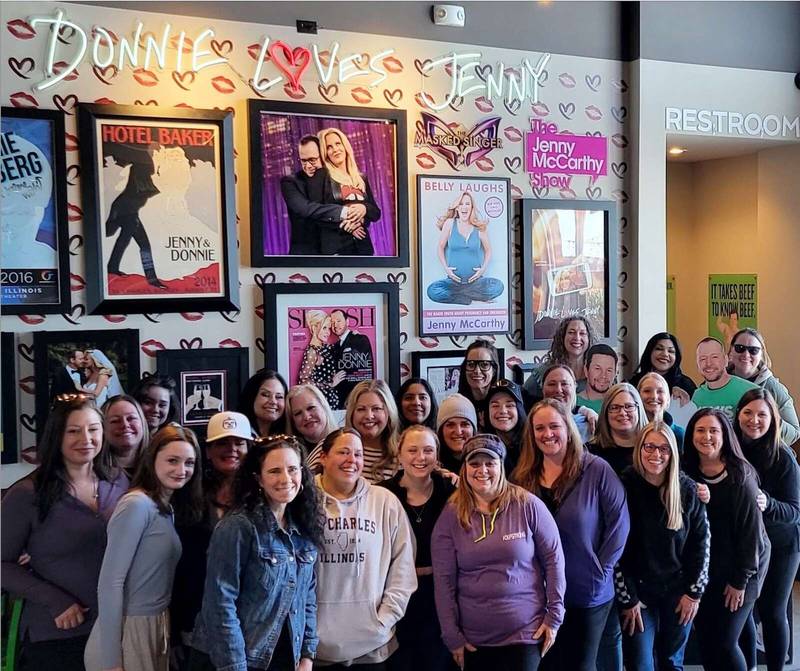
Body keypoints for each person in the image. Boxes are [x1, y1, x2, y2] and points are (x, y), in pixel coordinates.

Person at [1, 395, 129, 671]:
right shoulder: (27, 494)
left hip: (115, 629)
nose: (86, 438)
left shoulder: (119, 481)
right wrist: (55, 600)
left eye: (93, 429)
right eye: (73, 430)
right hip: (56, 633)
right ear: (56, 435)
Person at [512, 399, 629, 671]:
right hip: (537, 595)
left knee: (580, 666)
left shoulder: (596, 469)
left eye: (554, 425)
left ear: (568, 427)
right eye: (539, 428)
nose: (547, 434)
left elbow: (619, 524)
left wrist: (602, 569)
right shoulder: (522, 477)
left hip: (586, 592)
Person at [432, 434, 566, 670]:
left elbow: (554, 561)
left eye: (490, 463)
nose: (482, 470)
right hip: (474, 639)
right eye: (474, 463)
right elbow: (444, 581)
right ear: (464, 469)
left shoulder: (528, 505)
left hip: (525, 633)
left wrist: (554, 617)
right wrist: (451, 635)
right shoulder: (451, 514)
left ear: (501, 466)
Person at [190, 435, 323, 671]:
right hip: (232, 660)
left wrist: (307, 655)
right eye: (274, 471)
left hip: (283, 657)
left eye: (293, 469)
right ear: (258, 479)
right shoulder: (238, 526)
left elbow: (308, 599)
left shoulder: (303, 527)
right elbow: (220, 603)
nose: (286, 479)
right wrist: (235, 666)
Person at [84, 424, 204, 671]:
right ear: (153, 459)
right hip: (127, 630)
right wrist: (111, 660)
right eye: (173, 460)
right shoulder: (136, 505)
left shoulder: (165, 507)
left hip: (156, 625)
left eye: (189, 463)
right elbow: (110, 583)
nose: (182, 470)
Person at [314, 428, 417, 668]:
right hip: (314, 646)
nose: (352, 460)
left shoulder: (384, 501)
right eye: (344, 452)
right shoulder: (302, 500)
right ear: (323, 457)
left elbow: (403, 567)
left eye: (358, 454)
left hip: (373, 645)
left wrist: (384, 619)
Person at [615, 421, 710, 671]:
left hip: (678, 591)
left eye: (664, 449)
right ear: (640, 448)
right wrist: (628, 599)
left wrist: (694, 594)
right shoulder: (624, 485)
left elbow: (701, 544)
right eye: (649, 447)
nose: (656, 455)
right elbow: (615, 549)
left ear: (672, 453)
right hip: (639, 593)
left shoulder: (687, 489)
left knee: (671, 661)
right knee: (640, 663)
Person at [681, 409, 770, 671]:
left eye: (714, 431)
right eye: (700, 430)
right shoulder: (686, 471)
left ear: (725, 436)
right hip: (708, 568)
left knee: (725, 641)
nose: (706, 436)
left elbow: (751, 535)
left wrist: (739, 581)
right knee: (707, 637)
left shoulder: (741, 477)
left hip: (744, 568)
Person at [171, 412, 254, 662]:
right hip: (195, 625)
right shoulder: (186, 496)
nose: (231, 449)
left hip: (250, 627)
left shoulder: (262, 499)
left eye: (239, 443)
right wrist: (174, 632)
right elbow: (177, 570)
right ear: (207, 451)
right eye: (222, 443)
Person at [377, 426, 457, 671]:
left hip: (440, 594)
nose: (420, 458)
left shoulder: (450, 490)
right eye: (412, 450)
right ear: (399, 455)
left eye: (428, 451)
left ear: (437, 455)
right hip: (396, 594)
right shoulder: (382, 493)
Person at [734, 389, 800, 671]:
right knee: (745, 611)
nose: (754, 420)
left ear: (773, 418)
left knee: (773, 612)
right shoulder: (730, 449)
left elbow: (795, 512)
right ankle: (748, 666)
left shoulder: (784, 457)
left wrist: (767, 502)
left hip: (782, 543)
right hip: (747, 543)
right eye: (748, 412)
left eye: (762, 414)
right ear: (737, 415)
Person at [279, 134, 357, 255]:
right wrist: (345, 212)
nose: (308, 166)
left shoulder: (335, 178)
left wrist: (357, 217)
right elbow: (306, 209)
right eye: (303, 161)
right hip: (306, 255)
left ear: (323, 156)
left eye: (312, 160)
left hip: (336, 252)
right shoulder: (290, 182)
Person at [426, 190, 504, 306]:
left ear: (472, 207)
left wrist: (482, 269)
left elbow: (488, 250)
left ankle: (461, 296)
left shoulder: (479, 227)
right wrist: (446, 269)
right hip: (453, 281)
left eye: (467, 204)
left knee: (498, 287)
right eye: (461, 204)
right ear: (457, 208)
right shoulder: (450, 223)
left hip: (476, 281)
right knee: (432, 291)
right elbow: (440, 247)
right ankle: (472, 300)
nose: (464, 207)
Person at [105, 146, 165, 288]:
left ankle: (112, 267)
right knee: (142, 244)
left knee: (124, 239)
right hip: (125, 210)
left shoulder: (145, 171)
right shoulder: (141, 170)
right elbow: (149, 183)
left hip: (125, 209)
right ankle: (152, 279)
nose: (155, 154)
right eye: (153, 151)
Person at [728, 328, 799, 445]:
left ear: (761, 354)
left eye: (753, 350)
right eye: (740, 348)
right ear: (731, 351)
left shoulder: (774, 387)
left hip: (763, 457)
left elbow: (794, 434)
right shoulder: (718, 383)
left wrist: (768, 417)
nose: (746, 354)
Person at [317, 127, 381, 256]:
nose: (335, 149)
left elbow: (376, 213)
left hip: (363, 248)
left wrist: (364, 209)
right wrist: (346, 224)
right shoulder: (322, 177)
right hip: (336, 250)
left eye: (337, 143)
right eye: (329, 147)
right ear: (325, 152)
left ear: (345, 145)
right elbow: (317, 213)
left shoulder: (361, 177)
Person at [343, 379, 401, 483]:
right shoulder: (331, 446)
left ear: (389, 412)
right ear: (351, 413)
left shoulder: (405, 453)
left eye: (376, 408)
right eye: (361, 409)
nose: (369, 416)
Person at [523, 317, 595, 398]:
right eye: (571, 332)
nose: (577, 338)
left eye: (582, 333)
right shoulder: (544, 372)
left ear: (589, 339)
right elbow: (522, 400)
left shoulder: (599, 373)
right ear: (562, 337)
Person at [589, 383, 649, 475]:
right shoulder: (590, 453)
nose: (622, 413)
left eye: (628, 406)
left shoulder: (652, 449)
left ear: (639, 409)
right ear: (605, 412)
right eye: (615, 407)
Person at [692, 337, 758, 420]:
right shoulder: (697, 396)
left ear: (726, 360)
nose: (708, 363)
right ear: (697, 365)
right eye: (702, 359)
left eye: (714, 357)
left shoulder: (750, 391)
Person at [628, 332, 697, 404]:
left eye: (671, 351)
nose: (665, 354)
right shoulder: (635, 382)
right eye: (659, 349)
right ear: (649, 352)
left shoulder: (685, 385)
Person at [297, 309, 345, 411]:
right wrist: (330, 384)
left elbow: (340, 345)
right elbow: (303, 381)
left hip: (332, 401)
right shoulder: (312, 351)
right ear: (314, 328)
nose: (328, 332)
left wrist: (352, 334)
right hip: (321, 403)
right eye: (324, 328)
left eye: (329, 328)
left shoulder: (324, 347)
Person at [540, 364, 598, 443]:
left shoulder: (589, 425)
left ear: (575, 387)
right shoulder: (532, 423)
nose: (558, 390)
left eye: (565, 384)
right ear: (542, 388)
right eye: (552, 384)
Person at [330, 308, 375, 405]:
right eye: (332, 323)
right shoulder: (335, 346)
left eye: (338, 321)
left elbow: (364, 372)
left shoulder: (359, 339)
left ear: (347, 321)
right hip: (339, 399)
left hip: (356, 398)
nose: (335, 325)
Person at [484, 379, 527, 474]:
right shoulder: (483, 449)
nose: (503, 411)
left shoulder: (533, 445)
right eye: (495, 406)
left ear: (519, 410)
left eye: (509, 405)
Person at [457, 339, 501, 428]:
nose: (477, 371)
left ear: (494, 370)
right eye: (471, 364)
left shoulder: (504, 403)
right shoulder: (457, 404)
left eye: (484, 365)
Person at [636, 372, 686, 450]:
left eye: (660, 391)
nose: (654, 396)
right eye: (647, 391)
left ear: (668, 399)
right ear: (637, 397)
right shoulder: (631, 433)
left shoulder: (679, 434)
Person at [102, 394, 149, 475]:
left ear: (142, 422)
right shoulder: (92, 471)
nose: (125, 425)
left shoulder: (159, 464)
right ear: (103, 427)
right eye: (115, 421)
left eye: (131, 418)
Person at [285, 383, 339, 453]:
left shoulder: (347, 440)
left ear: (323, 406)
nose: (306, 417)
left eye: (311, 408)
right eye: (298, 413)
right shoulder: (290, 454)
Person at [238, 369, 289, 437]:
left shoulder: (289, 437)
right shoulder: (237, 434)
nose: (273, 401)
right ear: (251, 397)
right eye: (265, 395)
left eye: (279, 397)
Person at [436, 393, 478, 474]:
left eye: (464, 424)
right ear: (441, 430)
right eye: (450, 425)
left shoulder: (487, 464)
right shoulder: (431, 468)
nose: (458, 432)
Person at [577, 344, 619, 413]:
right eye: (597, 369)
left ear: (615, 374)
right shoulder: (572, 403)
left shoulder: (620, 403)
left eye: (609, 370)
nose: (603, 375)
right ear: (586, 370)